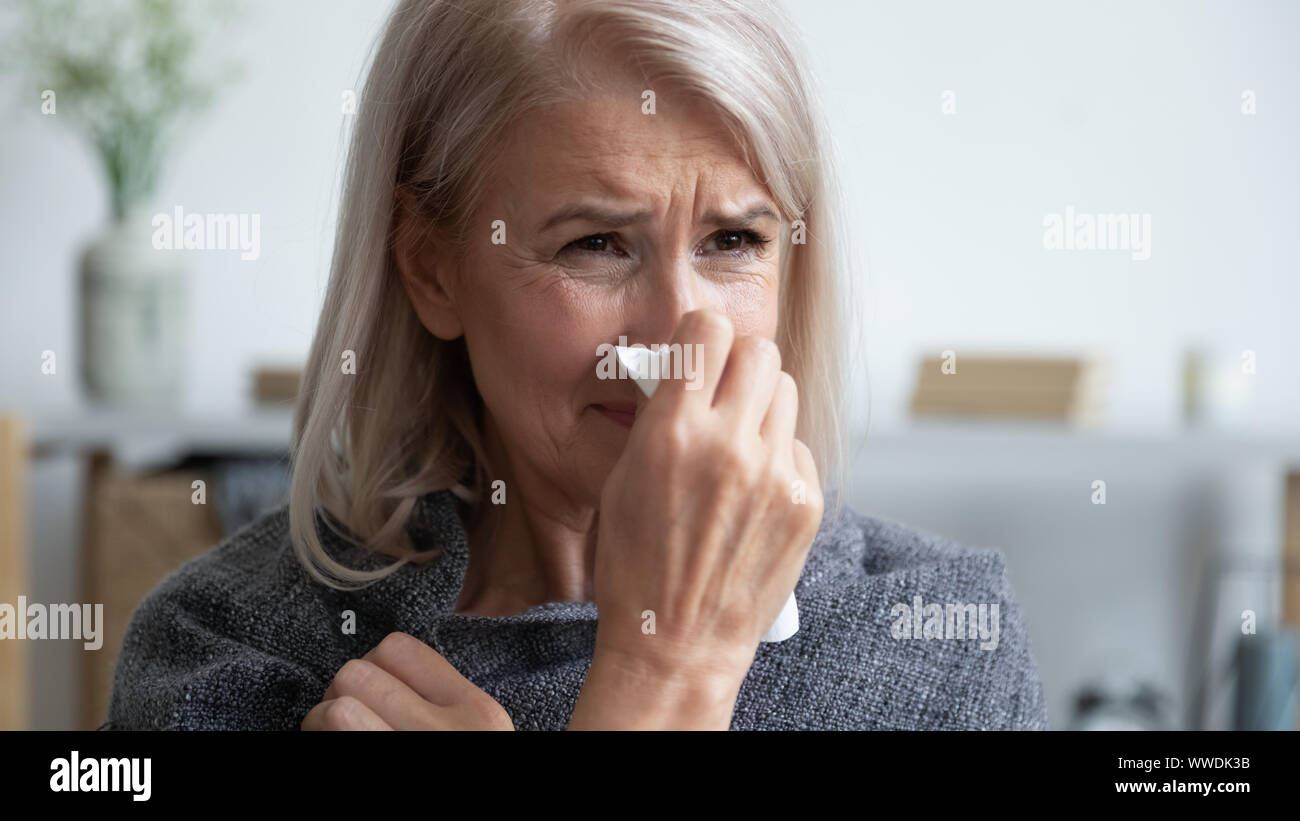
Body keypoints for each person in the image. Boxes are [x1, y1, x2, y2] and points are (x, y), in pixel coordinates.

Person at [107, 0, 1049, 731]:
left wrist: (670, 668)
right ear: (431, 267)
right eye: (596, 243)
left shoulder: (940, 636)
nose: (684, 334)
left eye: (732, 240)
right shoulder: (231, 647)